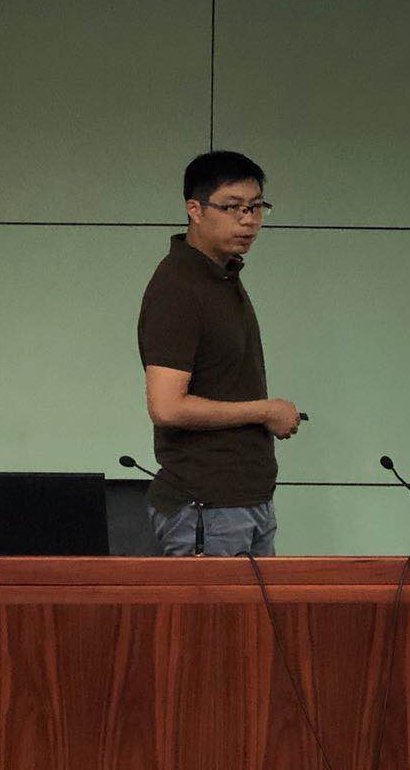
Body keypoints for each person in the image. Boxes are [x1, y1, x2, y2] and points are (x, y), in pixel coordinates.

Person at [137, 152, 300, 557]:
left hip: (244, 500)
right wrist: (264, 410)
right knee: (214, 606)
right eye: (232, 207)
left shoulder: (222, 275)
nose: (248, 220)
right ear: (194, 210)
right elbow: (167, 407)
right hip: (207, 506)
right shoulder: (179, 287)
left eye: (256, 207)